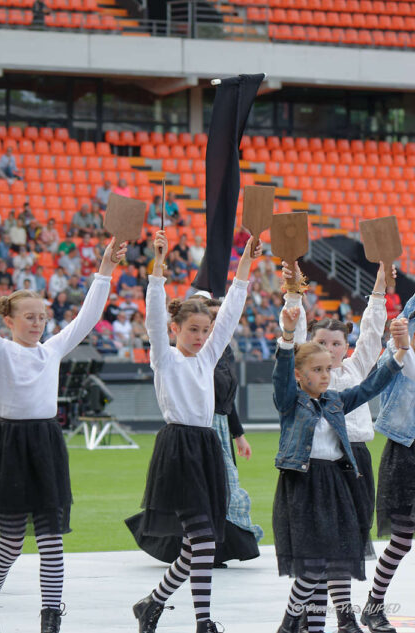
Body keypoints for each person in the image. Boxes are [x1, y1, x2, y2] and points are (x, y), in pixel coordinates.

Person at [0, 229, 125, 633]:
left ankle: (51, 619)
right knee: (12, 541)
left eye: (42, 317)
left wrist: (106, 267)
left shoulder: (52, 350)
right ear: (9, 319)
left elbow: (87, 318)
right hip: (8, 446)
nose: (37, 323)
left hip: (46, 445)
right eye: (29, 317)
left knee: (52, 539)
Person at [130, 230, 259, 633]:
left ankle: (152, 603)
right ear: (176, 328)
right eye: (193, 330)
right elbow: (153, 316)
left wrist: (245, 265)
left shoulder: (207, 359)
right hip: (177, 450)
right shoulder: (164, 359)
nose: (202, 336)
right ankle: (203, 622)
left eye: (205, 330)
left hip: (206, 448)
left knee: (196, 545)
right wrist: (157, 269)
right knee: (203, 541)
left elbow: (232, 313)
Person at [271, 300, 411, 633]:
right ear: (300, 375)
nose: (325, 375)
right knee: (315, 564)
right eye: (317, 370)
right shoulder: (290, 400)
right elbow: (281, 372)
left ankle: (308, 624)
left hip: (334, 484)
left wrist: (400, 354)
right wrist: (288, 335)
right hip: (303, 487)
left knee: (329, 561)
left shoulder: (336, 399)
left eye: (327, 369)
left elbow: (369, 387)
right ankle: (291, 619)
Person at [364, 300, 415, 632]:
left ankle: (373, 605)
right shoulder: (398, 353)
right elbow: (387, 371)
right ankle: (373, 604)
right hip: (407, 450)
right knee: (402, 538)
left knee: (402, 538)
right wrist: (399, 343)